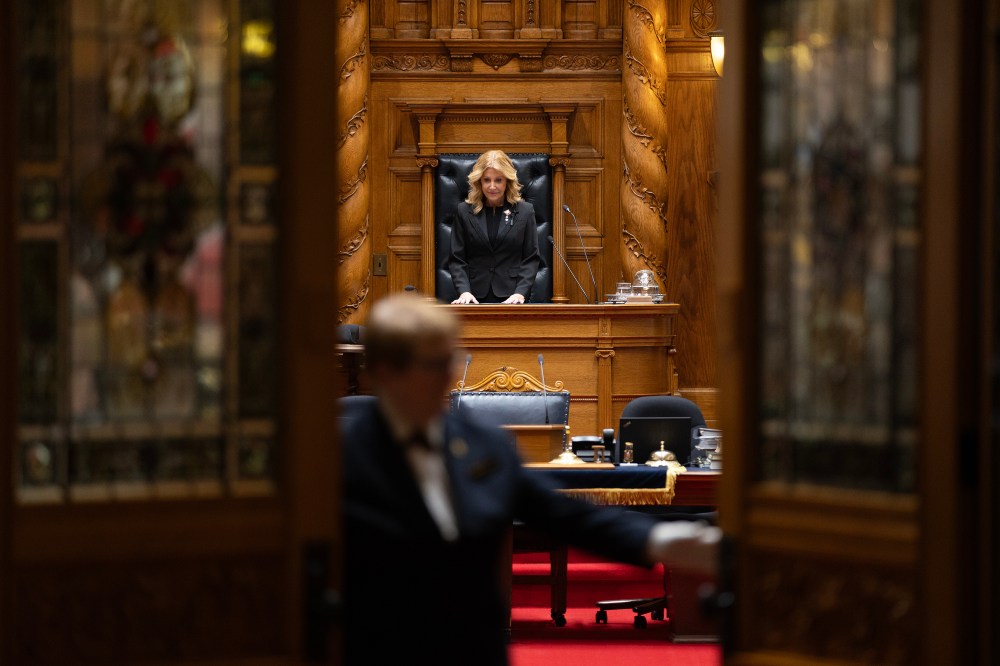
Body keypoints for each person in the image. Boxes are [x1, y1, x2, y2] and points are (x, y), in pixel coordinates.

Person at [341, 294, 721, 665]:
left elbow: (565, 515)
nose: (448, 374)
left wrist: (659, 540)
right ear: (385, 371)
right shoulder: (340, 459)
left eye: (450, 359)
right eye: (433, 363)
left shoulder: (483, 445)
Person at [448, 150, 541, 304]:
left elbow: (531, 258)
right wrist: (464, 291)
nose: (492, 186)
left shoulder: (525, 211)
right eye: (486, 180)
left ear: (507, 181)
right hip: (473, 296)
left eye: (498, 180)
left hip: (513, 297)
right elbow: (457, 258)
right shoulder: (464, 211)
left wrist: (520, 293)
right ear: (479, 181)